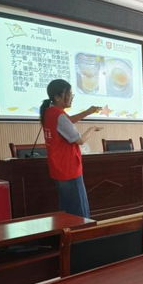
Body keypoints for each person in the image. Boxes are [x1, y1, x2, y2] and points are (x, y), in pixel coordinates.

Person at [40, 79, 103, 218]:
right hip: (69, 168)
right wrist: (92, 129)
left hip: (58, 167)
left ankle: (68, 231)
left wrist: (88, 112)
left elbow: (67, 122)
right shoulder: (59, 115)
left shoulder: (50, 112)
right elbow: (80, 140)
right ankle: (81, 231)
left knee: (67, 208)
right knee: (79, 210)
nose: (71, 98)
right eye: (68, 95)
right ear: (57, 97)